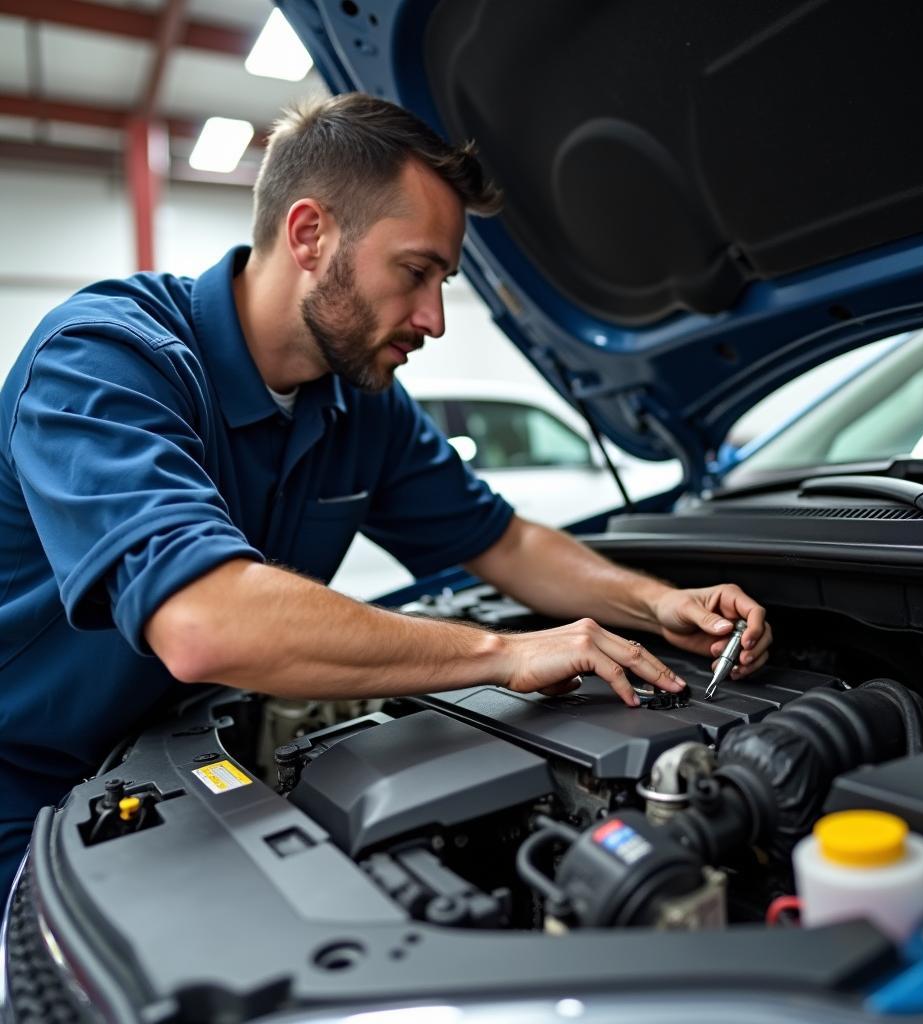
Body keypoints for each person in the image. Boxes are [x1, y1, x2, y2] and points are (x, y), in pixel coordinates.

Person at [0, 93, 772, 900]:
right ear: (310, 235)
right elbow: (203, 624)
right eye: (416, 272)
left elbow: (502, 541)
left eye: (444, 279)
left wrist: (658, 606)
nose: (434, 318)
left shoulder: (359, 405)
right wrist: (502, 653)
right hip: (22, 781)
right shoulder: (104, 360)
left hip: (174, 760)